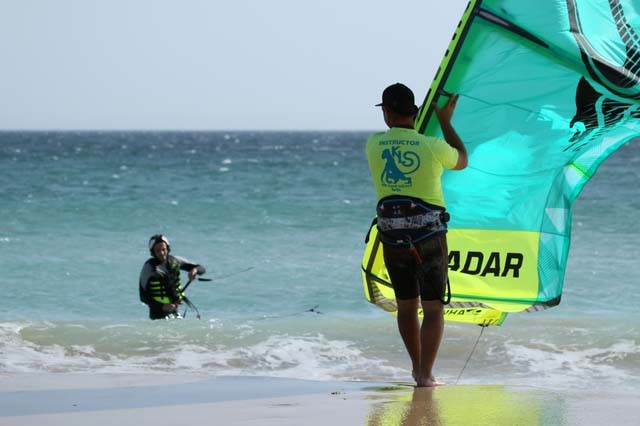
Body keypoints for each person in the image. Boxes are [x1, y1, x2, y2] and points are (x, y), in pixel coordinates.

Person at [365, 83, 467, 387]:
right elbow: (462, 160)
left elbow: (402, 140)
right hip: (430, 237)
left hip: (393, 238)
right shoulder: (433, 146)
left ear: (385, 112)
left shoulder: (372, 145)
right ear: (414, 112)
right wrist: (446, 123)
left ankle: (415, 369)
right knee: (433, 308)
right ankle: (426, 374)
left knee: (407, 306)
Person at [139, 234, 206, 320]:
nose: (162, 253)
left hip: (175, 310)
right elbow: (143, 297)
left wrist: (195, 270)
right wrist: (162, 306)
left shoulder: (175, 261)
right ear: (153, 252)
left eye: (164, 249)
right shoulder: (149, 268)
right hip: (157, 315)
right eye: (158, 250)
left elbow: (201, 269)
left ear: (168, 248)